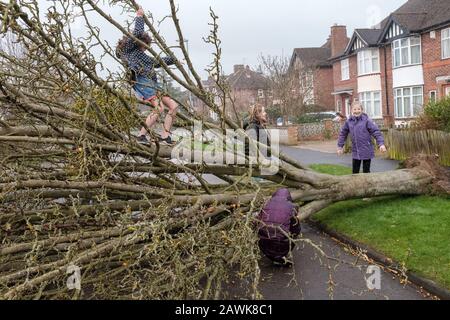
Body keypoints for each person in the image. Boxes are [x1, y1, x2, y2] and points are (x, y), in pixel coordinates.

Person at [116, 7, 178, 145]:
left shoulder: (143, 56)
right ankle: (141, 135)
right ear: (139, 43)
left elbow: (156, 62)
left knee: (173, 106)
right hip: (140, 80)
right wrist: (139, 16)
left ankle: (165, 136)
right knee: (159, 108)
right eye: (145, 46)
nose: (146, 49)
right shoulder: (128, 50)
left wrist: (174, 59)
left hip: (152, 82)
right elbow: (137, 33)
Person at [337, 101, 387, 174]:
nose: (357, 111)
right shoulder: (349, 122)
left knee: (366, 172)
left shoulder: (367, 121)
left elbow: (376, 132)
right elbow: (343, 134)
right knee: (355, 172)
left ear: (362, 110)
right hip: (356, 151)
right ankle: (356, 185)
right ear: (351, 111)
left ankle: (367, 185)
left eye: (358, 109)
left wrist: (381, 144)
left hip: (366, 149)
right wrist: (340, 147)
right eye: (355, 109)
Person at [257, 188, 301, 266]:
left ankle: (274, 256)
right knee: (295, 227)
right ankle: (280, 256)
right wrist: (294, 234)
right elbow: (295, 227)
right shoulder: (292, 206)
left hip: (263, 240)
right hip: (281, 241)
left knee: (264, 232)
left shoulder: (265, 203)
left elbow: (257, 220)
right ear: (288, 197)